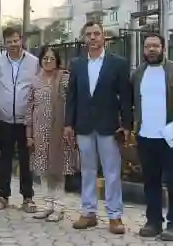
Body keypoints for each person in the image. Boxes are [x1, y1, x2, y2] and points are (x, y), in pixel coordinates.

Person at [64, 21, 132, 234]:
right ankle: (88, 213)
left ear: (104, 37)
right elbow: (72, 96)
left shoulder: (118, 63)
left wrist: (127, 125)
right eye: (88, 34)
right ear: (84, 38)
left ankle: (115, 216)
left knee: (112, 171)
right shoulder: (77, 64)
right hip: (83, 125)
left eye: (96, 34)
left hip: (109, 126)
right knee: (87, 170)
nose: (92, 37)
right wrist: (68, 123)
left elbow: (125, 97)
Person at [132, 33, 173, 241]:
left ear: (163, 48)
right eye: (147, 46)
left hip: (171, 138)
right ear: (143, 50)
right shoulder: (138, 74)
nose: (151, 49)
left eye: (155, 46)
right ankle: (153, 222)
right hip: (145, 137)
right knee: (150, 183)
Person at [0, 27, 39, 212]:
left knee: (26, 159)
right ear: (4, 43)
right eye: (9, 42)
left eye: (16, 41)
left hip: (27, 121)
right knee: (5, 158)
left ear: (21, 40)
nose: (13, 45)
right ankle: (3, 195)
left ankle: (28, 197)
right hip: (5, 118)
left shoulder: (34, 62)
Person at [25, 46, 78, 223]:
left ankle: (59, 206)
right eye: (45, 58)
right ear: (40, 60)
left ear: (57, 61)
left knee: (58, 169)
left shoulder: (64, 78)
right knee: (43, 170)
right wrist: (29, 134)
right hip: (40, 131)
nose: (48, 61)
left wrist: (70, 126)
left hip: (60, 131)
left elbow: (72, 101)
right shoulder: (35, 81)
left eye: (52, 59)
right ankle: (47, 205)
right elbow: (29, 108)